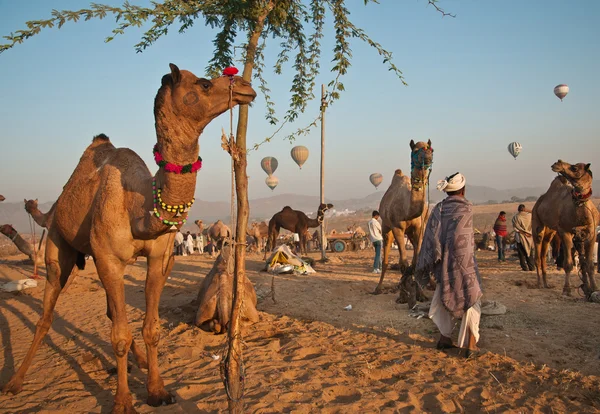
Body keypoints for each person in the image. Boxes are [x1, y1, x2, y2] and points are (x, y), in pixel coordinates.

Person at [416, 172, 482, 357]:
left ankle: (444, 339)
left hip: (444, 263)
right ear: (463, 189)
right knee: (472, 299)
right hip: (465, 263)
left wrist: (434, 259)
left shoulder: (438, 209)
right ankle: (470, 345)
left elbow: (431, 236)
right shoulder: (467, 208)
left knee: (443, 295)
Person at [512, 204, 535, 271]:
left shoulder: (516, 217)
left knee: (521, 254)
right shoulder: (530, 216)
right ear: (524, 209)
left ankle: (524, 268)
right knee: (529, 252)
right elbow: (534, 212)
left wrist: (523, 232)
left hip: (520, 237)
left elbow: (516, 228)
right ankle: (532, 267)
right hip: (529, 237)